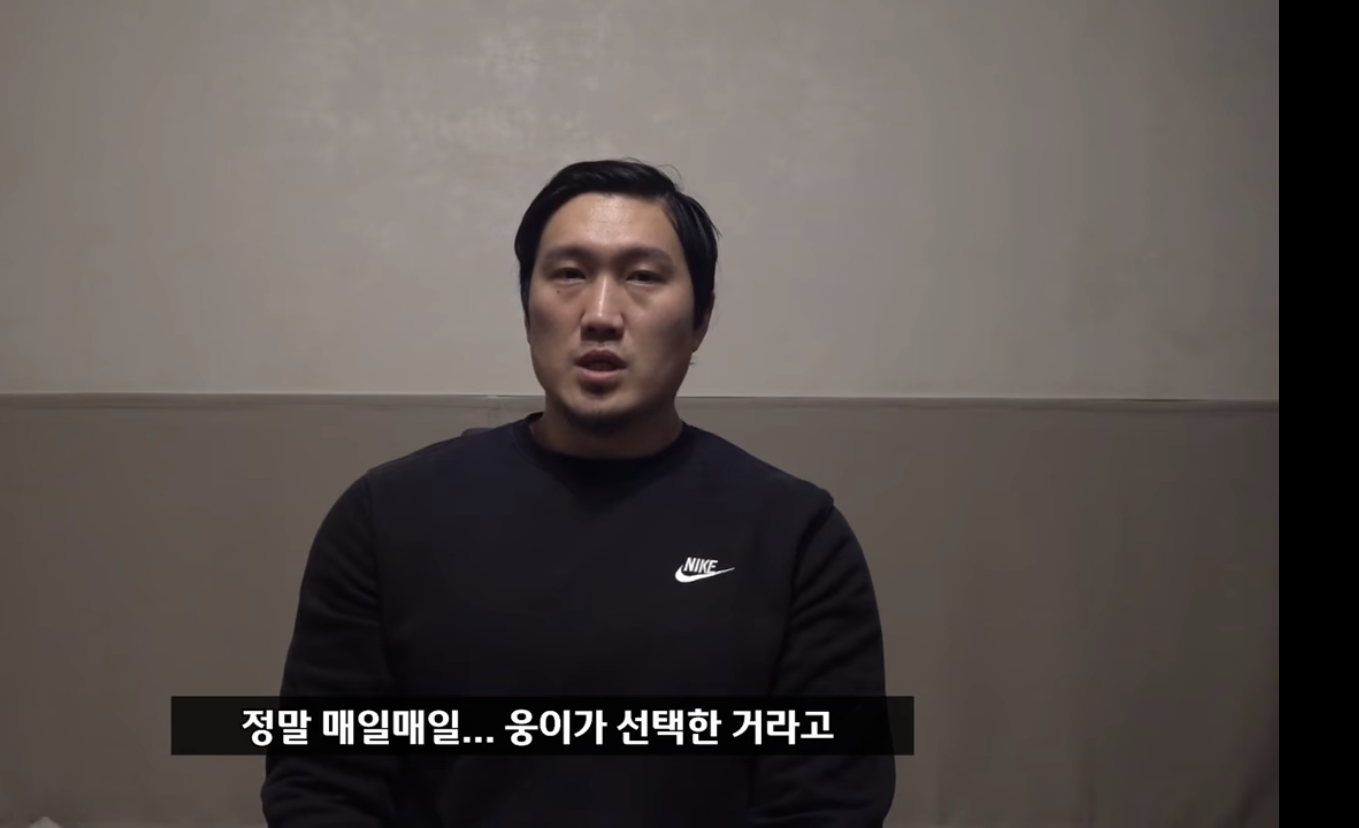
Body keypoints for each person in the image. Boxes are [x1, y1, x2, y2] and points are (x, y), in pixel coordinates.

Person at [261, 159, 894, 827]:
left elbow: (827, 803)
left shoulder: (795, 537)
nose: (600, 315)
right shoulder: (388, 516)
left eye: (642, 276)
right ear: (527, 308)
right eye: (569, 274)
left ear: (701, 319)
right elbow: (321, 784)